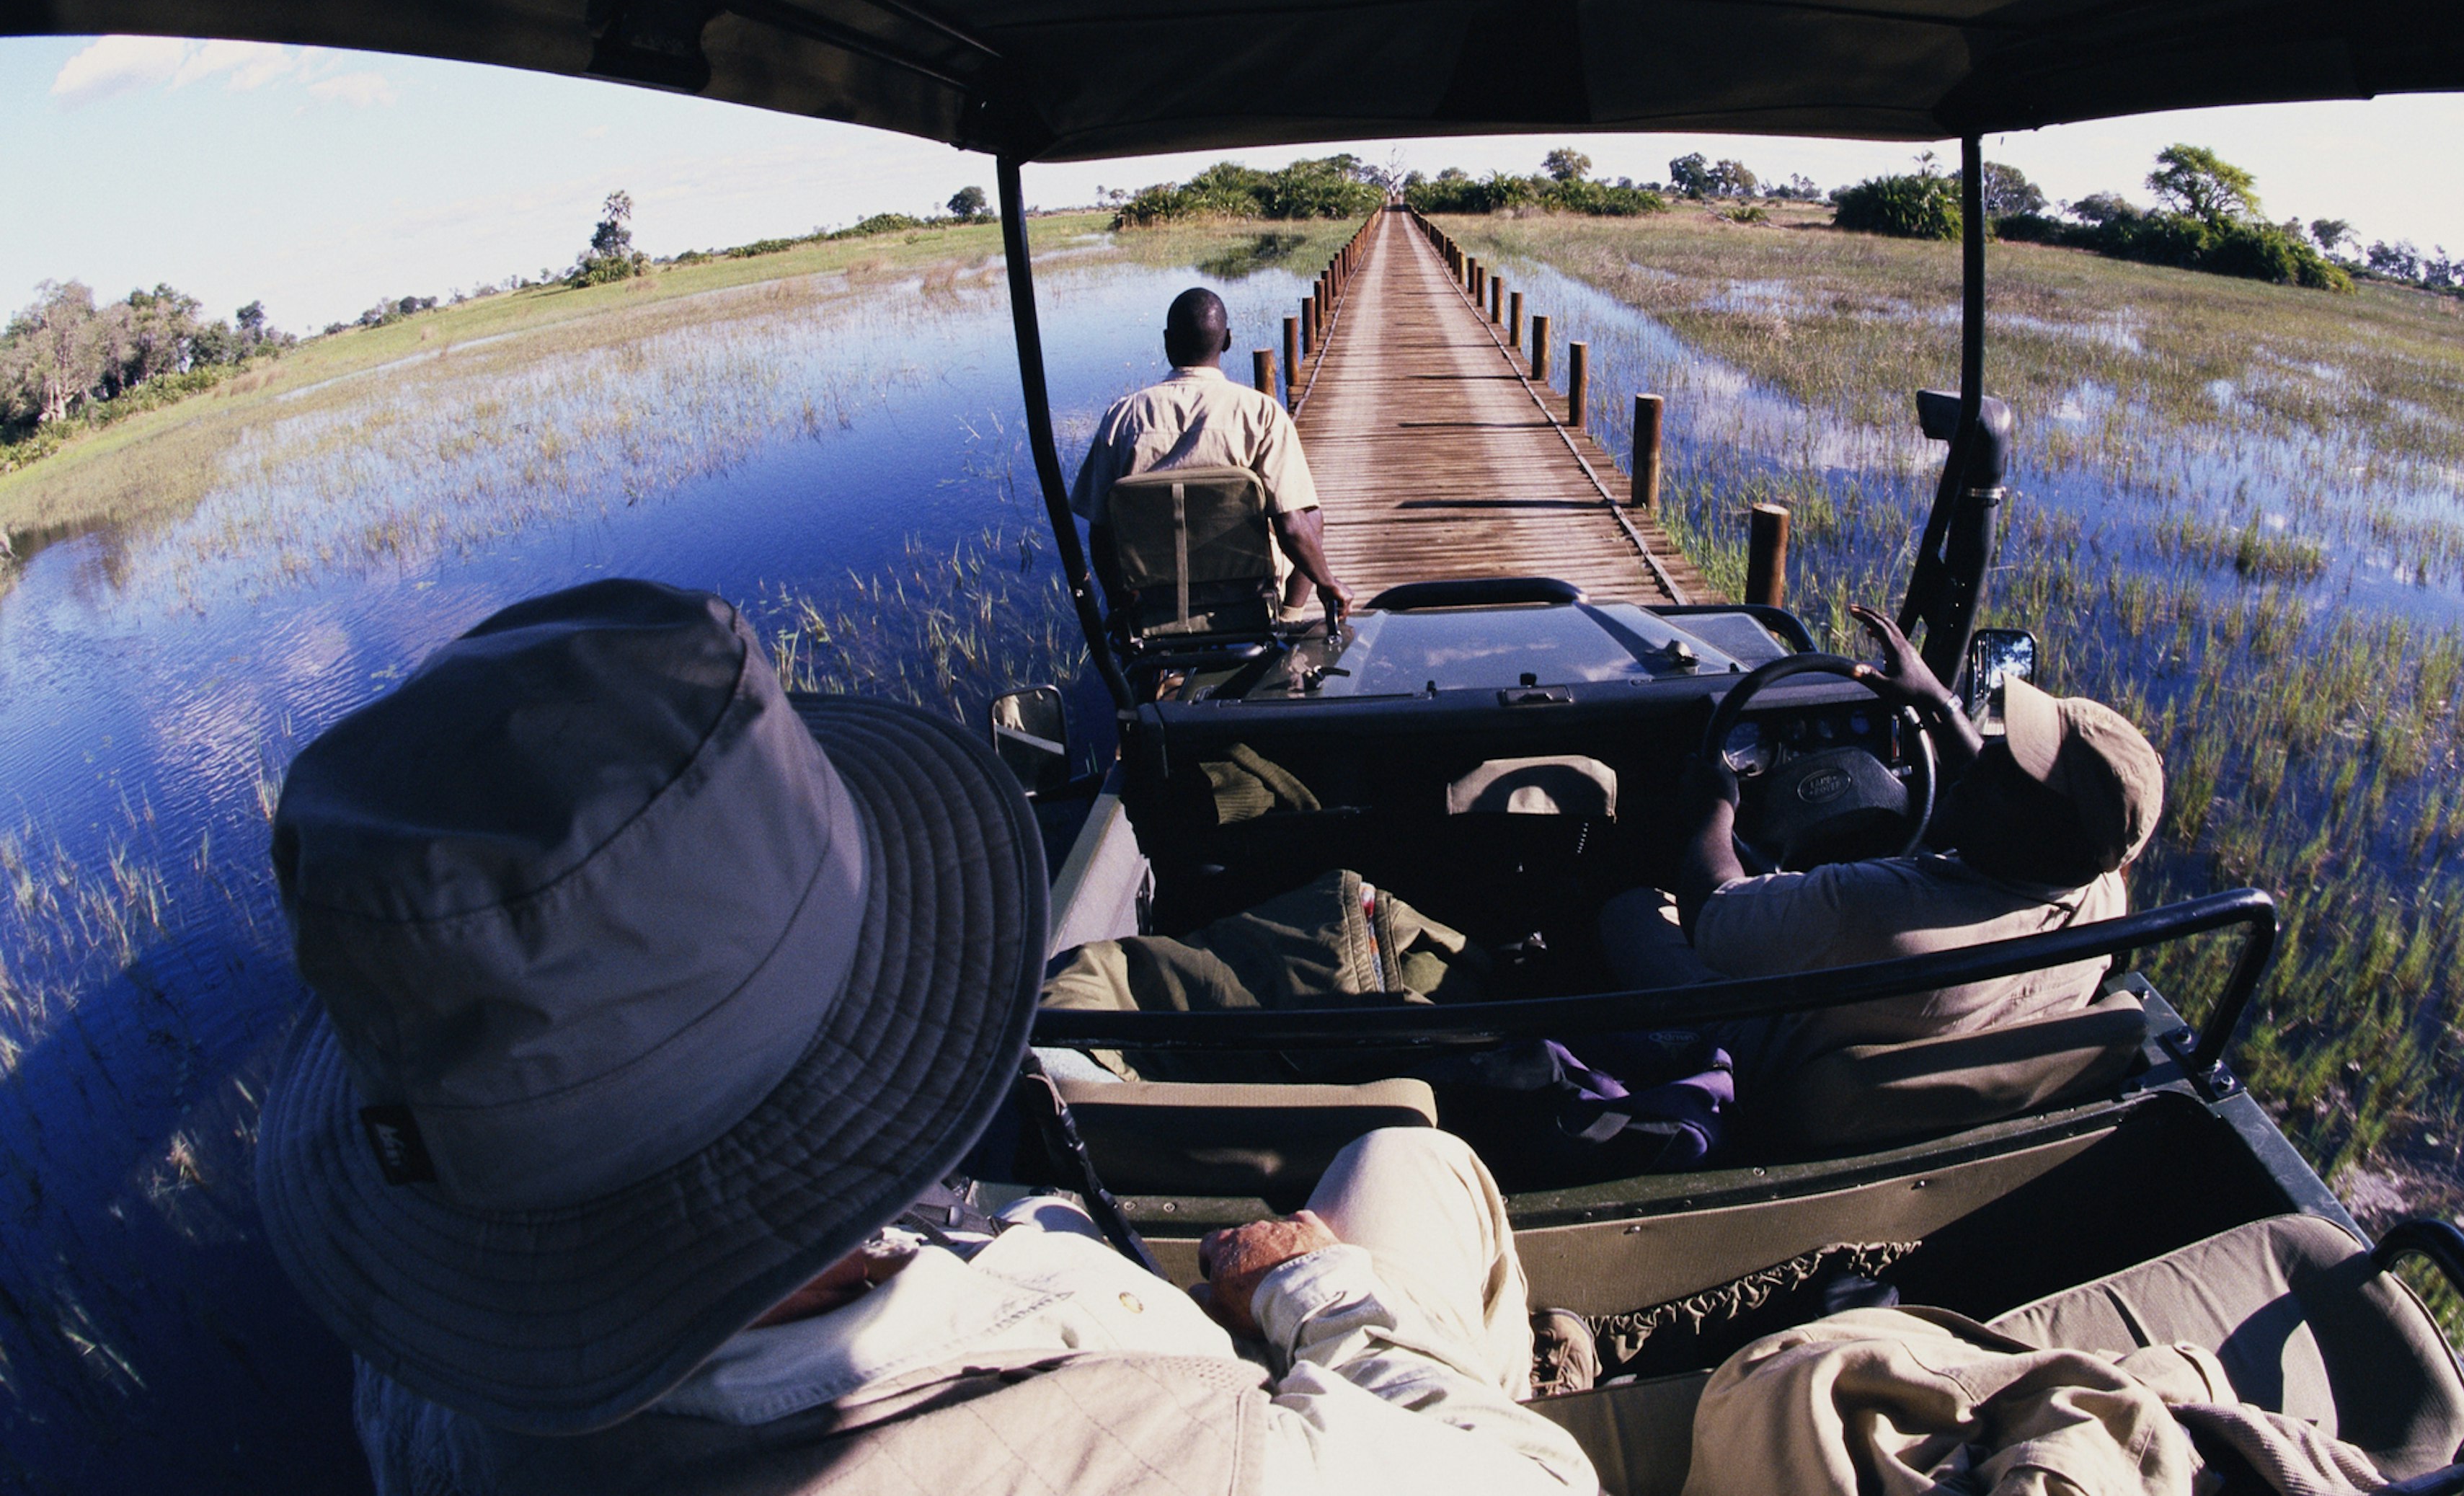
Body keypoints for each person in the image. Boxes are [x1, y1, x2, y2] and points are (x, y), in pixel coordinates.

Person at [252, 577, 1592, 1495]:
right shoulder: (1128, 1426)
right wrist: (1313, 1294)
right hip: (1246, 1389)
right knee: (1408, 1160)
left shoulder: (429, 1402)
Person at [1603, 602, 2163, 1052]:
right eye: (2001, 750)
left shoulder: (1867, 907)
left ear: (2043, 833)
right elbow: (2010, 802)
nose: (1982, 759)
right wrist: (1939, 703)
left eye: (2009, 771)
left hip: (1767, 1058)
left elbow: (1714, 909)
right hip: (1907, 1067)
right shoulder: (2100, 901)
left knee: (1630, 910)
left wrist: (1716, 809)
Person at [1071, 286, 1353, 620]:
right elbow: (1292, 527)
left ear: (1167, 341)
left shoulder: (1121, 418)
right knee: (1310, 517)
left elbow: (1100, 531)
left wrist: (1120, 601)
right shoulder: (1261, 413)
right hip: (1248, 596)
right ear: (1228, 340)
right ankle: (1289, 618)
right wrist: (1327, 582)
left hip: (1156, 600)